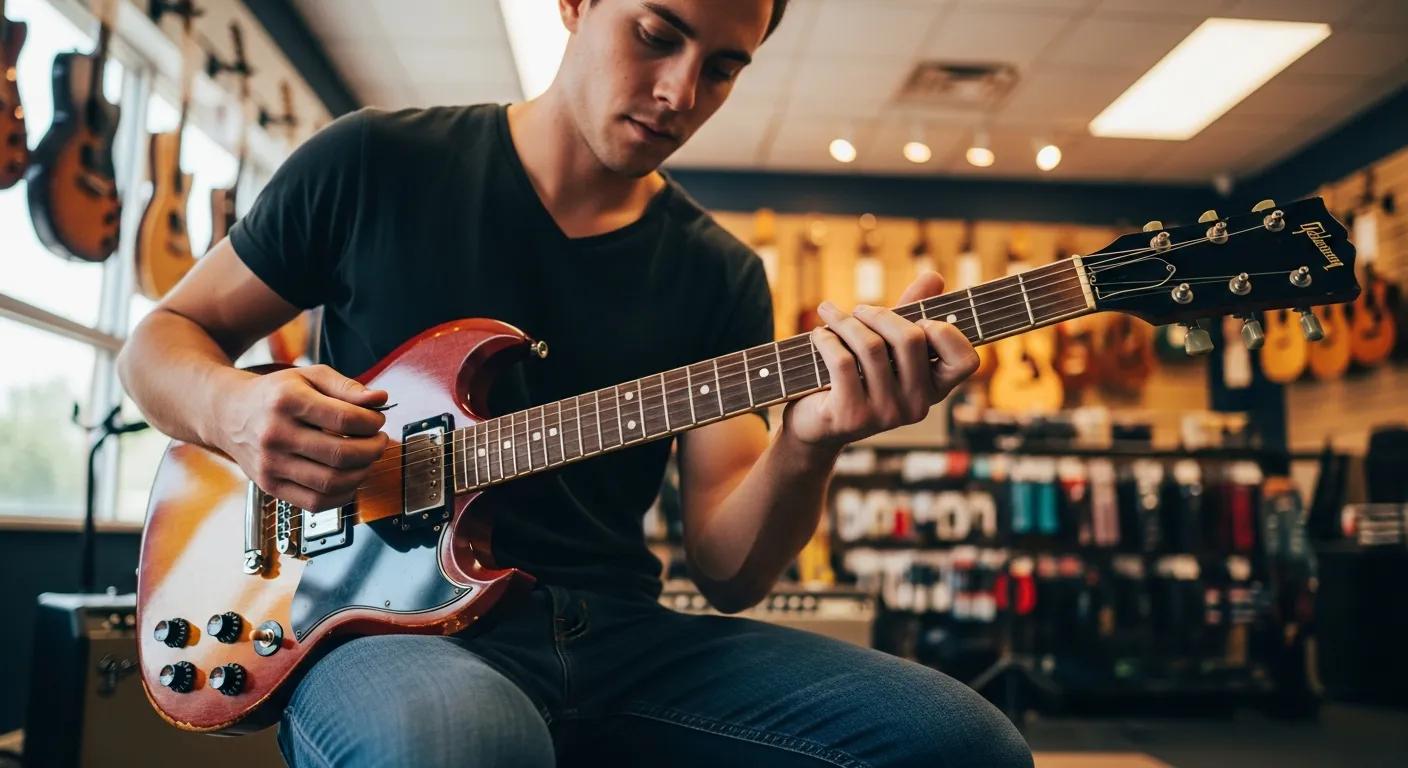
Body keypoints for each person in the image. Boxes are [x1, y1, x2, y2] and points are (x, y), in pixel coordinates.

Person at [118, 0, 1033, 765]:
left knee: (963, 744)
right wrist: (235, 412)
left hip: (620, 633)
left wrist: (809, 444)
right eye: (655, 33)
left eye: (722, 67)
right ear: (574, 3)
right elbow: (159, 341)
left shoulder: (719, 274)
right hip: (372, 622)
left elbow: (729, 570)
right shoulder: (373, 163)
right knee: (468, 748)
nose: (680, 92)